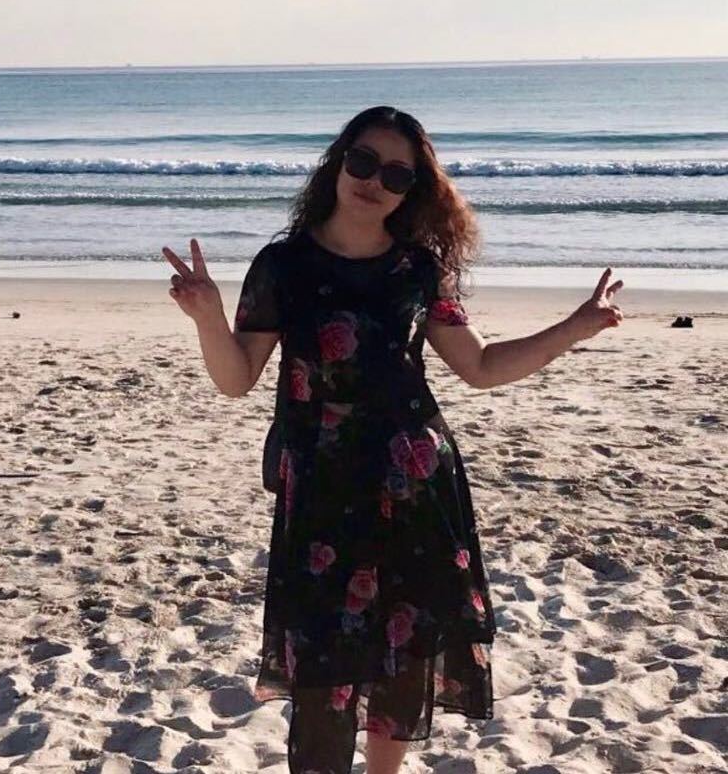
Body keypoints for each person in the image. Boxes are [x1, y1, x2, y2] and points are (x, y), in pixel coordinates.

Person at [161, 105, 625, 774]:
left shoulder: (418, 269)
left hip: (414, 479)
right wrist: (207, 317)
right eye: (363, 161)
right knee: (323, 661)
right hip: (320, 488)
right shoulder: (283, 265)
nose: (374, 181)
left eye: (397, 175)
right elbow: (236, 379)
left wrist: (575, 326)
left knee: (404, 651)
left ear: (413, 191)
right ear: (338, 162)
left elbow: (480, 365)